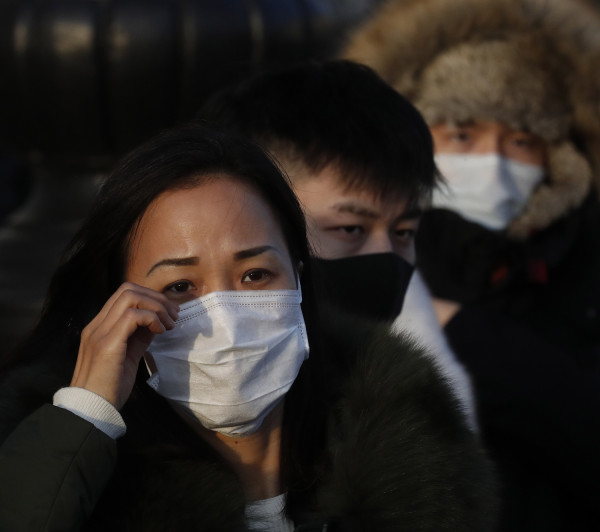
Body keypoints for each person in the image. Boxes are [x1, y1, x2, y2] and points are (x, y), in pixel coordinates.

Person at [0, 123, 496, 530]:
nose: (225, 317)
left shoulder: (411, 456)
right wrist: (87, 412)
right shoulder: (83, 484)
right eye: (180, 286)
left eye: (255, 275)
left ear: (298, 279)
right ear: (119, 310)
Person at [343, 0, 600, 529]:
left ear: (560, 155)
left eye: (521, 140)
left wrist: (463, 329)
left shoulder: (585, 258)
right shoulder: (355, 256)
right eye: (462, 133)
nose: (493, 161)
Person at [198, 59, 477, 431]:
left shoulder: (416, 410)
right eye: (350, 229)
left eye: (403, 232)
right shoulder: (165, 374)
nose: (384, 257)